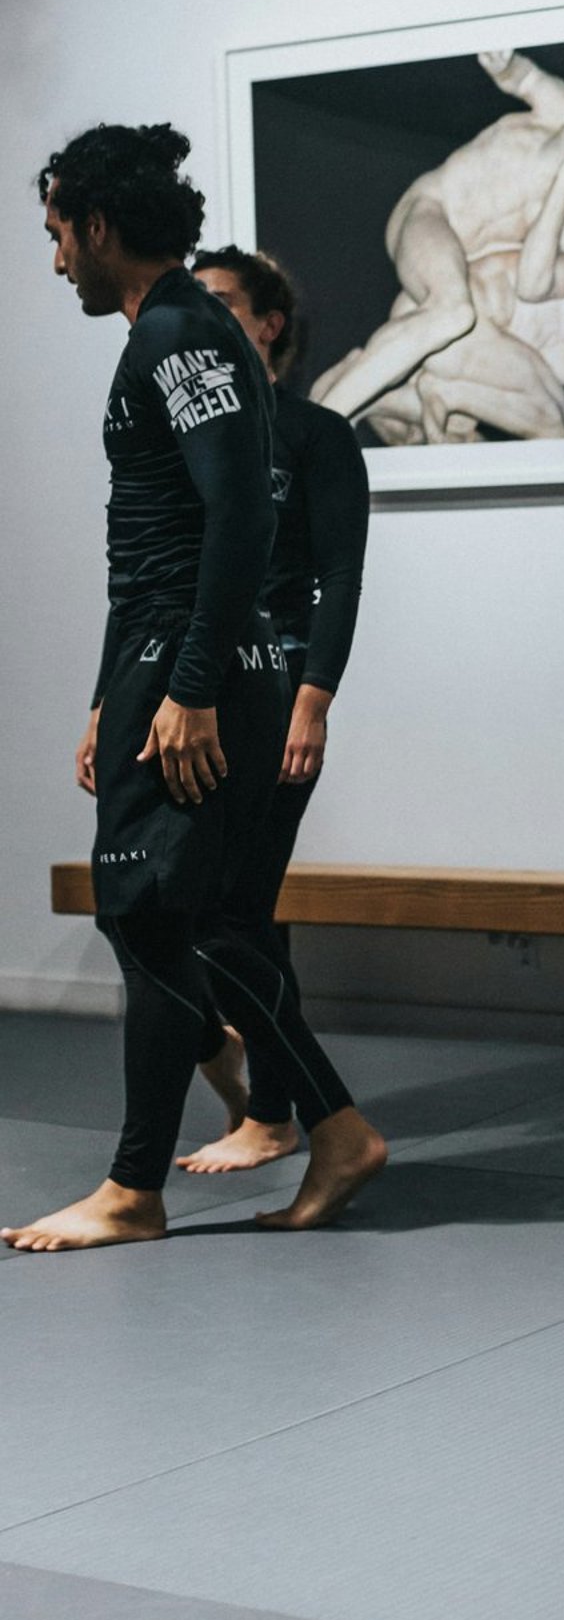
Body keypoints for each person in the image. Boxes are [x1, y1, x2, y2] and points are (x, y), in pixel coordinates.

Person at [8, 127, 385, 1253]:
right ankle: (323, 1127)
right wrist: (106, 694)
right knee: (193, 923)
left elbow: (244, 518)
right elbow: (163, 539)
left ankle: (143, 1185)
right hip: (161, 661)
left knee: (150, 913)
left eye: (57, 236)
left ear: (98, 226)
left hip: (193, 670)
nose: (56, 260)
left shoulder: (179, 332)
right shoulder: (181, 333)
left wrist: (193, 685)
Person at [169, 247, 379, 1210]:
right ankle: (274, 1102)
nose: (207, 323)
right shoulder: (188, 436)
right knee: (219, 911)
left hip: (274, 700)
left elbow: (341, 576)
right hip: (194, 698)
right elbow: (156, 577)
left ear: (268, 326)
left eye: (223, 306)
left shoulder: (315, 434)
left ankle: (278, 1112)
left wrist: (314, 700)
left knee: (232, 913)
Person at [311, 48, 564, 443]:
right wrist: (508, 63)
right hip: (434, 213)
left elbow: (552, 303)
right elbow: (526, 80)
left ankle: (365, 395)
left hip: (453, 296)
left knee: (541, 419)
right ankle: (322, 425)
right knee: (452, 311)